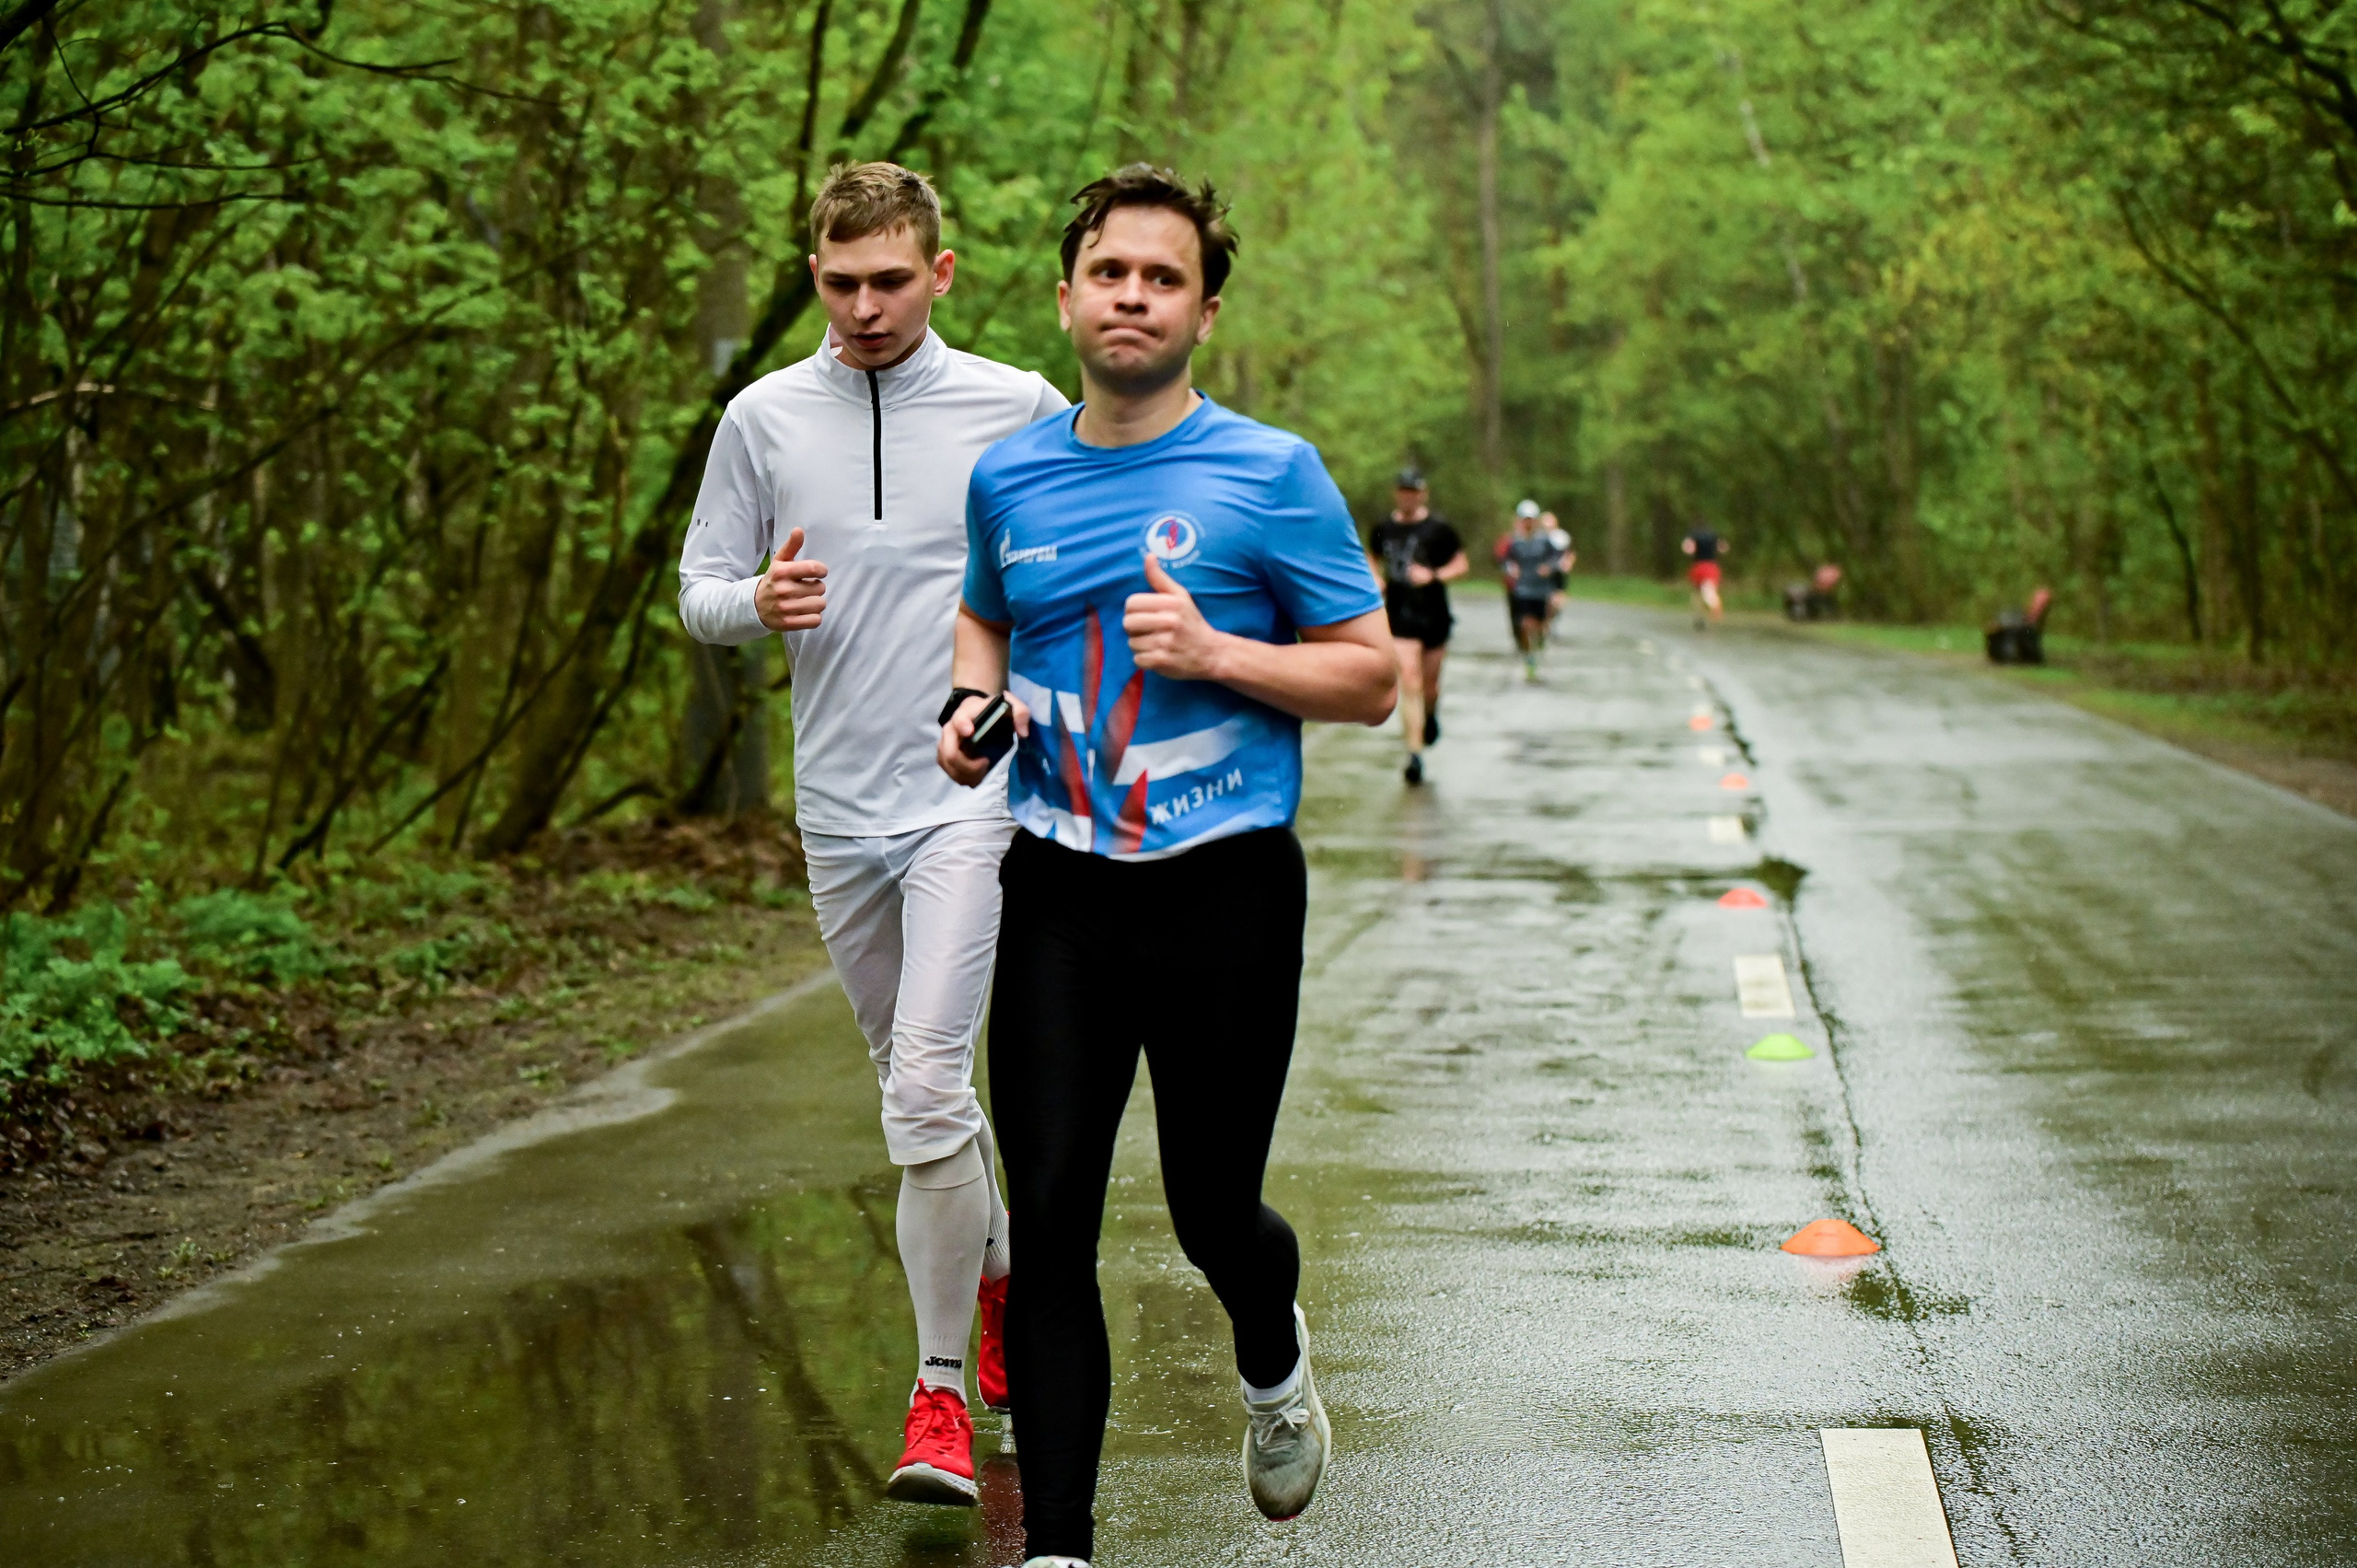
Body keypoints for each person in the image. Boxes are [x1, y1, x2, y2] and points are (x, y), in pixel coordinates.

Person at [936, 164, 1396, 1568]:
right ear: (1068, 292)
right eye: (1110, 271)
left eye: (1164, 276)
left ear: (1203, 306)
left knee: (1211, 1209)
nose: (1133, 294)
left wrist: (1217, 656)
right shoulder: (1008, 473)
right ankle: (1062, 1548)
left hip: (1227, 889)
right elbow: (981, 622)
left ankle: (1272, 1345)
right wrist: (966, 716)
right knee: (1055, 1220)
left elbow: (1372, 675)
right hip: (1062, 887)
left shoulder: (1273, 473)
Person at [678, 162, 1068, 1507]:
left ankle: (940, 1393)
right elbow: (697, 592)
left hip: (972, 791)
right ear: (813, 278)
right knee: (926, 1101)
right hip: (835, 806)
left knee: (922, 1085)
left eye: (889, 280)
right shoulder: (763, 414)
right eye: (839, 283)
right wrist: (760, 603)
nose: (864, 307)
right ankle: (1003, 1277)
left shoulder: (1018, 404)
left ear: (941, 274)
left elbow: (1078, 562)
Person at [1366, 467, 1467, 784]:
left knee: (1429, 686)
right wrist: (1375, 578)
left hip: (1434, 614)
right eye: (1403, 491)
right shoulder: (1383, 528)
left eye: (1414, 491)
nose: (1408, 496)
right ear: (1397, 494)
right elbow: (1371, 557)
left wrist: (1434, 576)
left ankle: (1431, 715)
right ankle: (1414, 755)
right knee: (1408, 680)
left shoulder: (1439, 529)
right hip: (1399, 615)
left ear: (1423, 494)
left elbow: (1461, 564)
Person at [1501, 500, 1573, 680]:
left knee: (1540, 627)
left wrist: (1548, 567)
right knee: (1525, 624)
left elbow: (1558, 559)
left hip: (1541, 590)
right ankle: (1529, 657)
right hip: (1522, 590)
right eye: (1525, 519)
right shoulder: (1514, 541)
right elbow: (1505, 561)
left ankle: (1539, 641)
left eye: (1531, 519)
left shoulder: (1545, 541)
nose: (1528, 522)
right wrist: (1512, 569)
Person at [1681, 521, 1728, 628]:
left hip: (1698, 566)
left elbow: (1687, 549)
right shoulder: (1714, 536)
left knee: (1697, 593)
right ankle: (1714, 606)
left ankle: (1699, 616)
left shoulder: (1693, 535)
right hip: (1711, 566)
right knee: (1709, 589)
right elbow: (1723, 548)